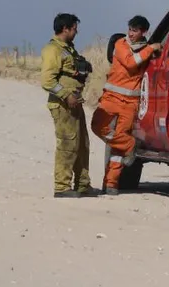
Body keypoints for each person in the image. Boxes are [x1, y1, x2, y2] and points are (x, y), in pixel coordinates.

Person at [91, 15, 161, 195]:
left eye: (135, 31)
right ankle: (131, 145)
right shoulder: (120, 44)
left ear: (143, 32)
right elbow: (131, 63)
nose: (131, 33)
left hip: (130, 102)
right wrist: (151, 48)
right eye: (130, 29)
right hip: (111, 98)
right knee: (98, 126)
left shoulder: (146, 48)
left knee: (117, 148)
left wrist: (153, 49)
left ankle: (111, 183)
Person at [40, 13, 98, 198]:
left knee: (82, 144)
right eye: (74, 28)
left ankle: (83, 184)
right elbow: (47, 80)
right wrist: (65, 95)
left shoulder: (69, 49)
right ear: (65, 28)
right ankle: (62, 186)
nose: (76, 31)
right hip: (63, 105)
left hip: (75, 104)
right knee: (67, 143)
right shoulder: (52, 50)